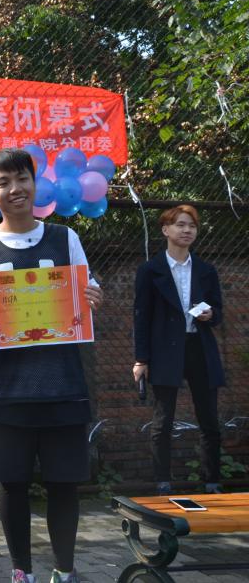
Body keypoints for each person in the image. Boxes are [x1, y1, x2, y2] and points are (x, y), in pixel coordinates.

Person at [0, 148, 103, 583]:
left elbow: (87, 290)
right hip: (8, 390)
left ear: (35, 183)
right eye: (2, 182)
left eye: (22, 178)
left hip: (63, 385)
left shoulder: (64, 238)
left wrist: (93, 296)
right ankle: (21, 571)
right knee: (12, 483)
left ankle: (65, 570)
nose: (15, 189)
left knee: (64, 484)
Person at [133, 204, 225, 495]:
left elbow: (219, 311)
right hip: (165, 349)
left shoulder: (206, 270)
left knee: (209, 419)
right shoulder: (150, 270)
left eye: (192, 226)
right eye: (181, 225)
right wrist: (141, 359)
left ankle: (212, 481)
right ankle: (163, 482)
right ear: (166, 230)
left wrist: (211, 315)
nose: (187, 230)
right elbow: (141, 317)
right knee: (163, 420)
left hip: (200, 346)